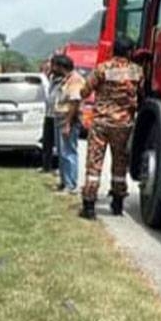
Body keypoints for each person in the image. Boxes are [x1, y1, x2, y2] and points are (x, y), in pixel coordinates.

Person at [79, 37, 144, 219]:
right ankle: (117, 204)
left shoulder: (102, 69)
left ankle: (89, 206)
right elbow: (142, 93)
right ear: (130, 52)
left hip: (101, 123)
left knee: (94, 163)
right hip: (123, 124)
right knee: (120, 164)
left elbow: (84, 91)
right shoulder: (137, 71)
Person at [50, 54, 86, 195]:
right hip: (60, 118)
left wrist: (67, 123)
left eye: (54, 66)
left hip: (68, 119)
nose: (52, 69)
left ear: (61, 66)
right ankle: (64, 181)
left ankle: (70, 185)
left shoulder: (75, 80)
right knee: (61, 152)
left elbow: (74, 103)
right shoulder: (63, 80)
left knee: (68, 152)